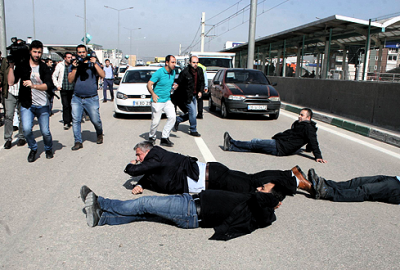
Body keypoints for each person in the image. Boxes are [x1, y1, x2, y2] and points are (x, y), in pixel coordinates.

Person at [80, 183, 284, 241]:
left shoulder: (261, 210)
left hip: (190, 211)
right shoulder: (254, 202)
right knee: (144, 215)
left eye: (263, 188)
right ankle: (102, 218)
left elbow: (262, 203)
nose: (258, 188)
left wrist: (272, 200)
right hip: (189, 204)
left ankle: (101, 202)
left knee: (143, 204)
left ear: (269, 198)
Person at [125, 141, 313, 197]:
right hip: (211, 176)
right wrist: (141, 184)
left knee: (250, 185)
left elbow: (139, 169)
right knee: (250, 179)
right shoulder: (156, 159)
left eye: (139, 155)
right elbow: (150, 172)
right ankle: (290, 174)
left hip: (211, 177)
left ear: (146, 151)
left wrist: (132, 167)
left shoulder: (155, 154)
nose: (138, 159)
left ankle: (295, 180)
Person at [223, 108, 327, 163]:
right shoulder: (301, 125)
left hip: (280, 146)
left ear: (308, 118)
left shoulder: (309, 128)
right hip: (281, 145)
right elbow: (309, 141)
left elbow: (313, 141)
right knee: (256, 148)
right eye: (299, 114)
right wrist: (308, 149)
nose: (299, 116)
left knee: (256, 142)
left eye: (302, 115)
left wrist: (318, 156)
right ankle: (231, 147)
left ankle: (232, 142)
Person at [8, 40, 55, 162]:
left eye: (39, 52)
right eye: (35, 52)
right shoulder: (23, 66)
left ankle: (48, 147)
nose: (37, 54)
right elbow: (11, 82)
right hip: (27, 104)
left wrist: (33, 85)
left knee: (45, 132)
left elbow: (48, 85)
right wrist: (11, 67)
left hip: (42, 105)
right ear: (30, 51)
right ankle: (33, 148)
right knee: (27, 130)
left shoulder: (44, 67)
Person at [68, 44, 105, 151]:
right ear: (77, 53)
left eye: (83, 52)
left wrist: (95, 64)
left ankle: (99, 133)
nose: (81, 54)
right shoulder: (74, 64)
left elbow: (103, 75)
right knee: (76, 120)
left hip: (91, 98)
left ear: (86, 52)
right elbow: (70, 80)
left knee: (95, 120)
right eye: (79, 52)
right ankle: (78, 141)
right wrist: (75, 68)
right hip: (77, 98)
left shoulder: (92, 63)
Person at [308, 169, 400, 204]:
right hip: (395, 179)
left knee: (365, 190)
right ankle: (324, 183)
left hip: (397, 188)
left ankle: (327, 192)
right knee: (358, 181)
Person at [147, 55, 178, 147]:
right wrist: (153, 94)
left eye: (175, 62)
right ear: (167, 62)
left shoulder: (173, 73)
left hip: (167, 99)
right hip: (158, 100)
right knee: (156, 121)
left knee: (172, 117)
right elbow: (149, 84)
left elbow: (170, 83)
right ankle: (152, 137)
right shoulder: (159, 73)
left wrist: (174, 86)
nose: (174, 64)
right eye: (172, 62)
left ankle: (165, 137)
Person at [173, 56, 204, 137]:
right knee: (193, 113)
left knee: (192, 113)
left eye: (197, 62)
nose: (195, 64)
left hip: (194, 95)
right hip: (186, 96)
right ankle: (193, 130)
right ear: (190, 63)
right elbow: (179, 83)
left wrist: (200, 91)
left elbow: (201, 82)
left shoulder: (200, 71)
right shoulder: (185, 72)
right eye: (194, 62)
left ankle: (177, 120)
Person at [1, 59, 26, 149]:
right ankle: (8, 139)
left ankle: (22, 137)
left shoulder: (25, 61)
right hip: (10, 92)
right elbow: (2, 73)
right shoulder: (6, 61)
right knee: (8, 115)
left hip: (22, 92)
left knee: (22, 115)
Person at [52, 52, 74, 130]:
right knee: (65, 105)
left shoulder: (73, 65)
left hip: (72, 88)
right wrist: (57, 85)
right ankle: (66, 122)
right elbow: (54, 76)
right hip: (64, 88)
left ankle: (72, 120)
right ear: (65, 58)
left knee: (73, 105)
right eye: (68, 57)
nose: (70, 59)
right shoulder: (60, 65)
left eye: (71, 57)